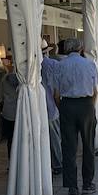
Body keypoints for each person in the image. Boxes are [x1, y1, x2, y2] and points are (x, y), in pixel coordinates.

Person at [52, 37, 98, 195]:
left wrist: (62, 108)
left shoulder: (60, 66)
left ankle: (72, 187)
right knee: (88, 146)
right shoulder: (90, 64)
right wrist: (90, 106)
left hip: (67, 105)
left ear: (66, 49)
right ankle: (87, 183)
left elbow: (56, 94)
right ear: (80, 48)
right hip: (86, 105)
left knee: (68, 147)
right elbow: (95, 92)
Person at [41, 39, 62, 174]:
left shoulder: (27, 67)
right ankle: (57, 164)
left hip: (35, 109)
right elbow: (57, 90)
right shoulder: (53, 64)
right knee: (54, 138)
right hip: (50, 107)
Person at [0, 56, 21, 146]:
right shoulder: (24, 80)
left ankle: (10, 158)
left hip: (8, 113)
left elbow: (1, 96)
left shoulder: (4, 78)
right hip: (20, 112)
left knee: (11, 140)